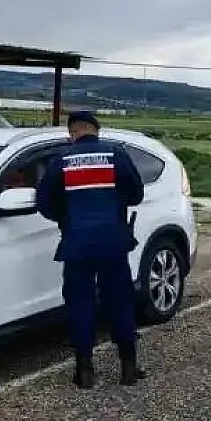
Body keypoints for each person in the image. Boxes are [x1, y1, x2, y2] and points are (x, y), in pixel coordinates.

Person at [36, 110, 147, 389]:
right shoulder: (115, 154)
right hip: (113, 243)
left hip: (77, 245)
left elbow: (44, 203)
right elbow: (136, 193)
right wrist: (112, 204)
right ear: (96, 131)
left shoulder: (60, 160)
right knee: (120, 302)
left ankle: (84, 371)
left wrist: (67, 218)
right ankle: (128, 369)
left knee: (80, 305)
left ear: (72, 133)